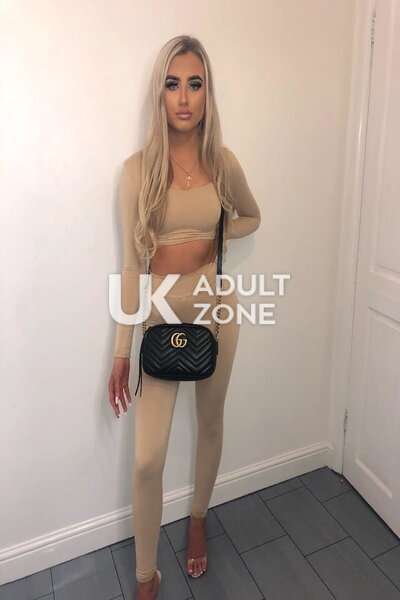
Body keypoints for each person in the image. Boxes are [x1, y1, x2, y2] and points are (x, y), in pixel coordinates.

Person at [108, 34, 261, 600]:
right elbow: (132, 267)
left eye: (195, 84)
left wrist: (215, 238)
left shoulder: (223, 162)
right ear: (160, 93)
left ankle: (198, 518)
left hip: (217, 312)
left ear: (207, 93)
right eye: (173, 84)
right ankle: (146, 577)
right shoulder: (136, 171)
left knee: (211, 423)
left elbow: (252, 216)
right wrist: (121, 352)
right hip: (158, 319)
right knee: (147, 458)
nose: (184, 98)